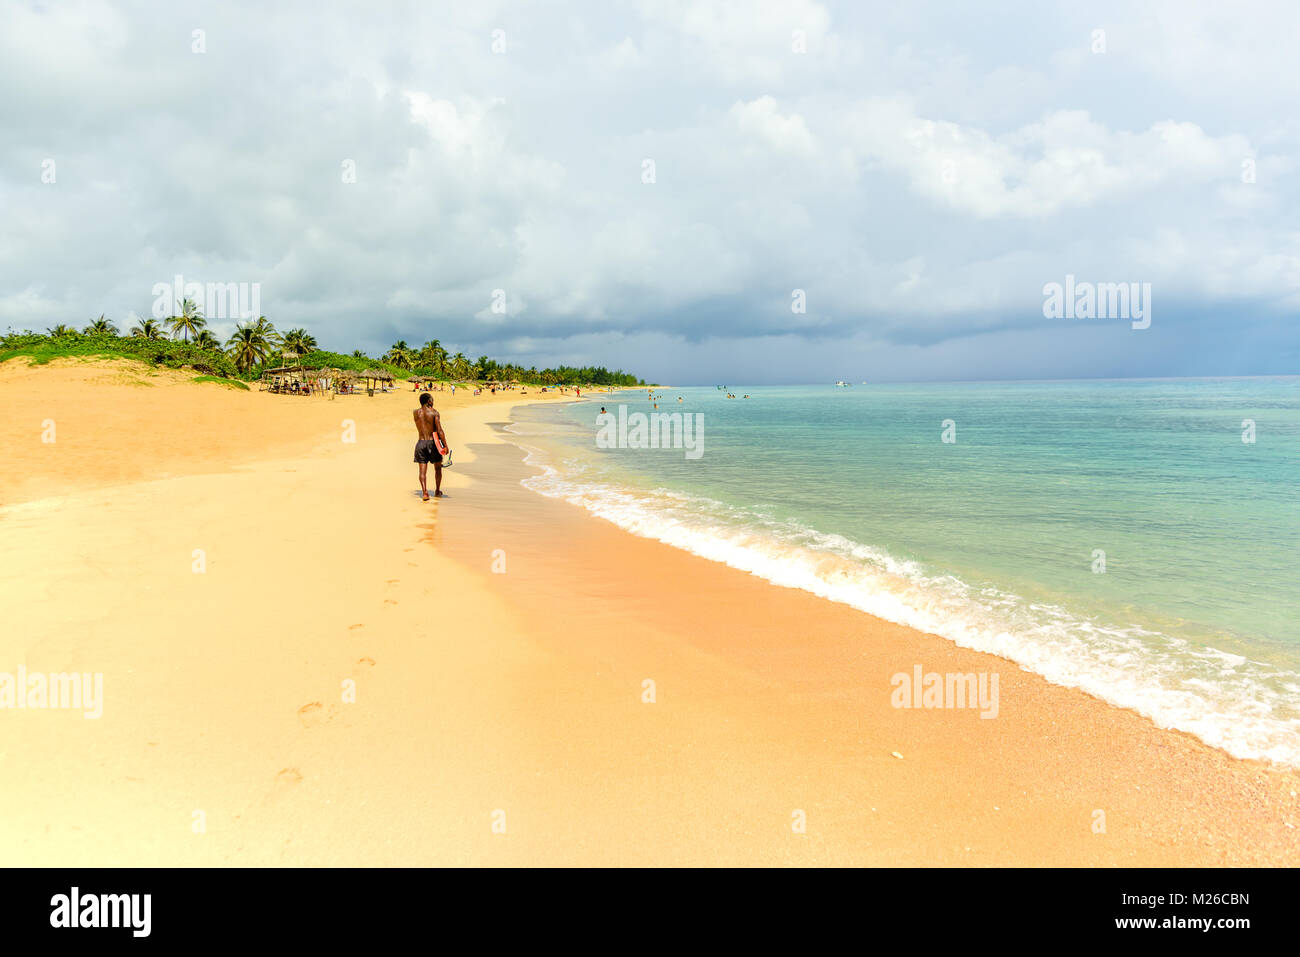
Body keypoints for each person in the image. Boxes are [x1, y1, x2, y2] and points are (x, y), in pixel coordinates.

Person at [413, 393, 448, 500]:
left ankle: (424, 492)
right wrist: (445, 445)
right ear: (429, 401)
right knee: (438, 468)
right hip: (432, 443)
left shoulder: (415, 413)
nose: (433, 401)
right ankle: (437, 491)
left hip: (420, 443)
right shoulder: (434, 413)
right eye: (432, 400)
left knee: (422, 471)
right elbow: (439, 430)